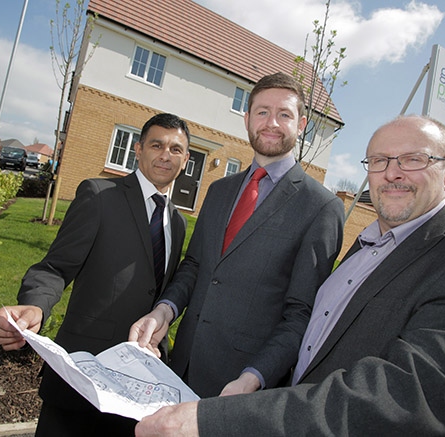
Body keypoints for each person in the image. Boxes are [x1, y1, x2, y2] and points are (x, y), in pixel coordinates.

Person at [134, 114, 445, 437]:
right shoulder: (369, 244)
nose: (392, 173)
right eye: (379, 161)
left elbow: (409, 398)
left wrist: (216, 419)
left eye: (413, 159)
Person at [129, 72, 345, 398]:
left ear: (301, 125)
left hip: (243, 387)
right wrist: (165, 310)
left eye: (284, 114)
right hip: (181, 365)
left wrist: (255, 377)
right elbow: (194, 266)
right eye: (262, 112)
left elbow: (301, 314)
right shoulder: (219, 190)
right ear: (247, 120)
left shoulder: (321, 207)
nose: (271, 122)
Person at [0, 113, 191, 436]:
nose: (166, 154)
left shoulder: (177, 223)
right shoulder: (99, 196)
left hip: (139, 387)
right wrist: (36, 305)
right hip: (81, 379)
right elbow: (55, 267)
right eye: (157, 145)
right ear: (138, 149)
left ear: (186, 159)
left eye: (176, 149)